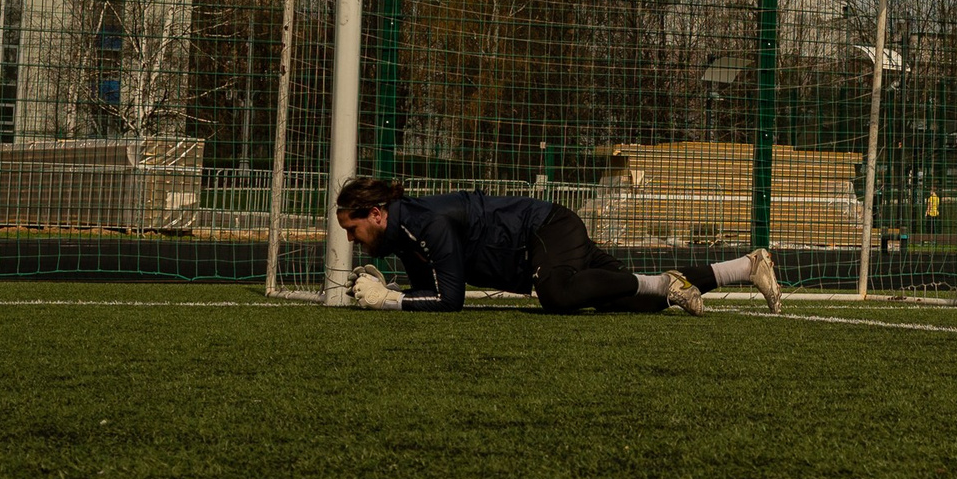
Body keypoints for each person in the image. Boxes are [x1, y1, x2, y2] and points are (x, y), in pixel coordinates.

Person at [334, 177, 783, 315]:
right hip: (546, 246)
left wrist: (388, 300)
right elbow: (429, 290)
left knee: (558, 294)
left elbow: (448, 299)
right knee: (633, 302)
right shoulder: (404, 235)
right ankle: (746, 266)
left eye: (352, 229)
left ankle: (666, 282)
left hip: (548, 230)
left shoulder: (423, 224)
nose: (351, 240)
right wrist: (389, 287)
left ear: (376, 214)